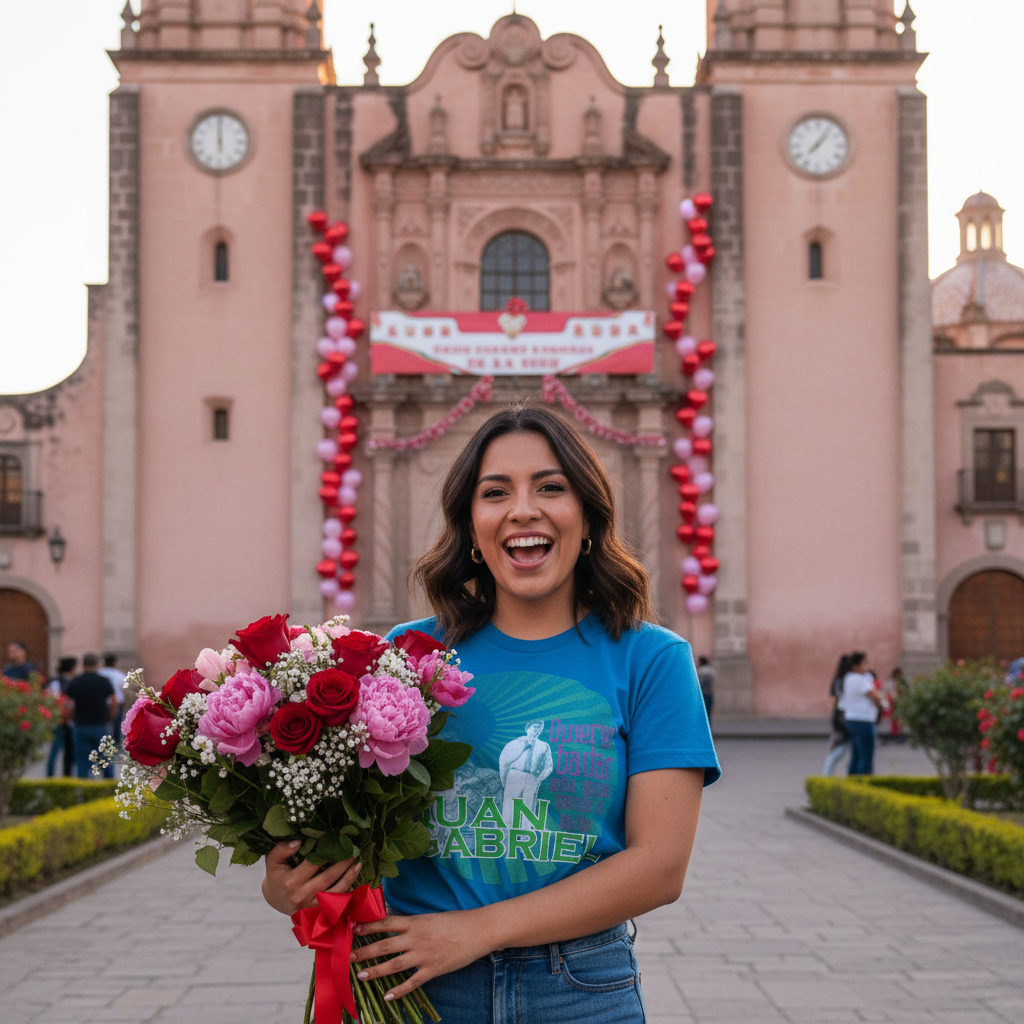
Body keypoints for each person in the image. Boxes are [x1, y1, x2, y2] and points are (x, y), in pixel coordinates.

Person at [262, 406, 720, 1021]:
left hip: (579, 990)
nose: (522, 509)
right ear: (472, 530)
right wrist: (288, 886)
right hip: (414, 985)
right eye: (495, 492)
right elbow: (351, 833)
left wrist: (479, 930)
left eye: (551, 487)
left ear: (586, 519)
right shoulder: (408, 655)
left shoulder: (653, 658)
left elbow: (660, 867)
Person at [65, 653, 116, 778]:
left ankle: (83, 790)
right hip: (100, 724)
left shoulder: (75, 682)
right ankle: (109, 789)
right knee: (106, 760)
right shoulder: (104, 681)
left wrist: (72, 716)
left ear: (83, 665)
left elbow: (66, 703)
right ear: (97, 664)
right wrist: (111, 717)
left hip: (80, 724)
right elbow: (114, 701)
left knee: (82, 761)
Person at [842, 651, 882, 775]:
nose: (867, 666)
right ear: (856, 666)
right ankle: (862, 783)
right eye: (864, 663)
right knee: (865, 757)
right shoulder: (858, 679)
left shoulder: (848, 678)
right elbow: (875, 696)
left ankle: (852, 783)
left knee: (856, 755)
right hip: (863, 721)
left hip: (852, 720)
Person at [45, 656, 77, 777]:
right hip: (64, 720)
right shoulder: (66, 682)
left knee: (59, 750)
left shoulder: (55, 682)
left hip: (59, 719)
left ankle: (54, 776)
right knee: (63, 750)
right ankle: (63, 775)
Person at [823, 653, 852, 776]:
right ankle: (827, 775)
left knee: (839, 746)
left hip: (837, 716)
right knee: (840, 747)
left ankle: (827, 774)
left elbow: (832, 700)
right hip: (843, 717)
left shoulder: (836, 680)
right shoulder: (846, 681)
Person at [98, 652, 127, 758]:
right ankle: (115, 746)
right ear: (114, 663)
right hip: (117, 703)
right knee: (116, 726)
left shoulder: (99, 673)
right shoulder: (118, 674)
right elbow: (124, 689)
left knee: (104, 725)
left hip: (103, 704)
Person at [697, 655, 715, 726]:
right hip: (709, 693)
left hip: (702, 694)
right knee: (708, 713)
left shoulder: (700, 671)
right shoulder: (711, 670)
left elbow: (700, 683)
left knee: (702, 714)